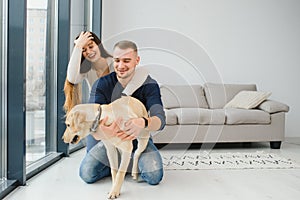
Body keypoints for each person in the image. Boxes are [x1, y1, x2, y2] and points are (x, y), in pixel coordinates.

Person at [79, 40, 166, 185]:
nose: (121, 66)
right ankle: (119, 163)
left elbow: (160, 120)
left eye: (126, 61)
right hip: (110, 139)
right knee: (87, 174)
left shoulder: (150, 84)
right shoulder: (102, 84)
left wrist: (143, 122)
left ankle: (128, 161)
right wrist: (101, 131)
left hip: (137, 138)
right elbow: (91, 121)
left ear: (136, 60)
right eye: (117, 61)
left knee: (154, 176)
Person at [64, 31, 113, 114]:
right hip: (99, 114)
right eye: (84, 50)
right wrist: (78, 47)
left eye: (91, 46)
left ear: (98, 45)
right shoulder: (87, 70)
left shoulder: (116, 63)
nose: (89, 52)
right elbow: (71, 78)